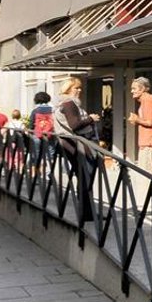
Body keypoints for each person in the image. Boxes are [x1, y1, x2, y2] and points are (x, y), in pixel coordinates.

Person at [54, 75, 100, 221]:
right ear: (68, 89)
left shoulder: (64, 103)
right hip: (77, 146)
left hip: (72, 145)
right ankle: (87, 213)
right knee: (86, 179)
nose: (79, 90)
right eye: (76, 88)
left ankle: (87, 212)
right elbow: (74, 125)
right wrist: (91, 118)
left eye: (80, 88)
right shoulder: (69, 103)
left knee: (84, 178)